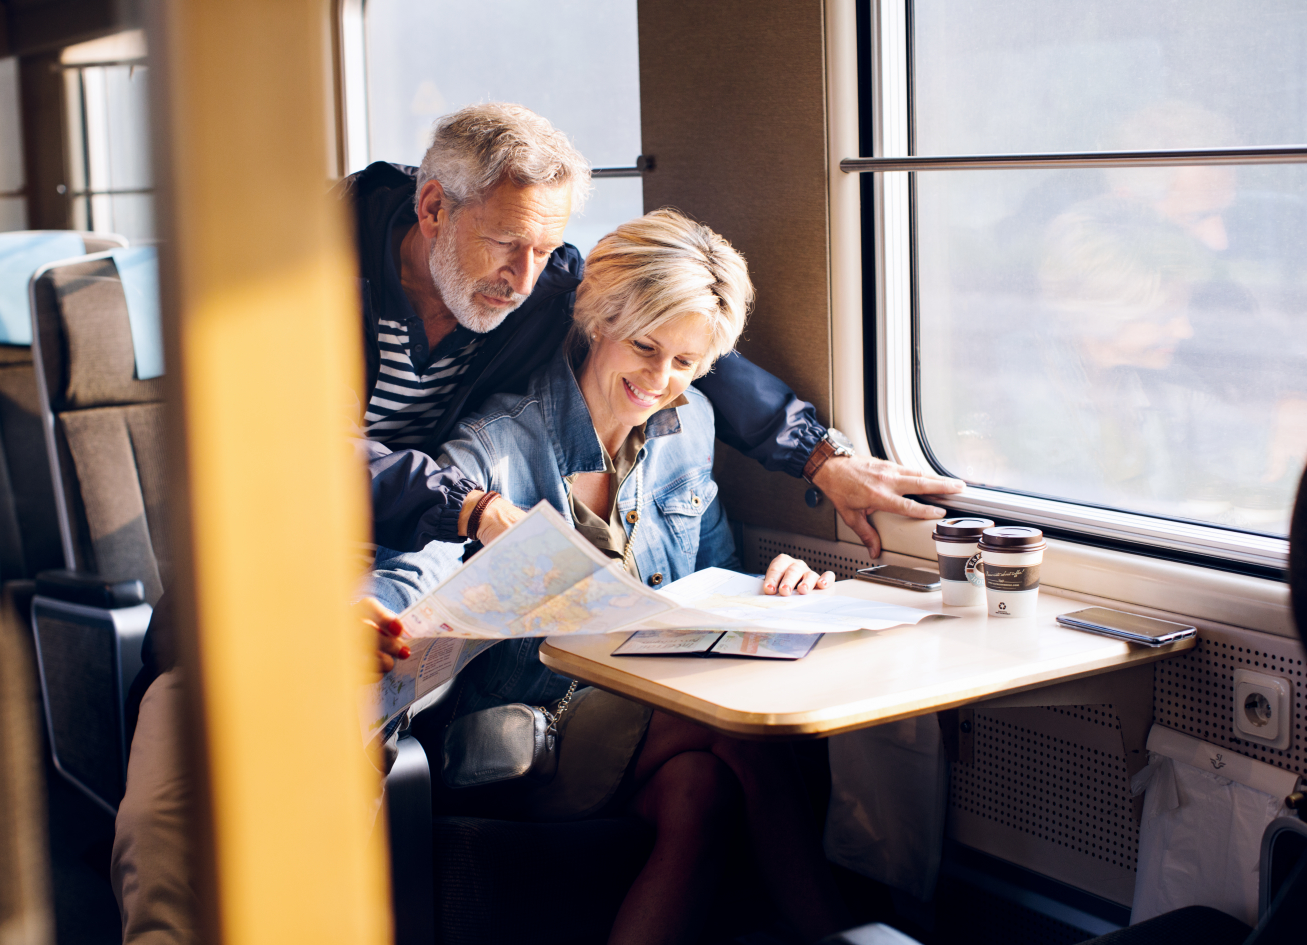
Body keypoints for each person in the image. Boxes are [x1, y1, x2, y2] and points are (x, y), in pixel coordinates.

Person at [112, 102, 962, 942]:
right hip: (272, 571)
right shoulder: (292, 282)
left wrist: (818, 456)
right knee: (190, 807)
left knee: (682, 784)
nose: (524, 278)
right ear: (433, 207)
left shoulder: (536, 282)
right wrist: (472, 509)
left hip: (416, 556)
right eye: (506, 244)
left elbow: (681, 342)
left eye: (545, 250)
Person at [370, 208, 851, 945]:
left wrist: (775, 586)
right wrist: (369, 615)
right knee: (728, 726)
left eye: (686, 363)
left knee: (700, 792)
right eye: (645, 346)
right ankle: (835, 934)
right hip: (517, 737)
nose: (660, 381)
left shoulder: (687, 426)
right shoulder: (496, 446)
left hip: (644, 719)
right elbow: (415, 570)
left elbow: (707, 582)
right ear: (600, 319)